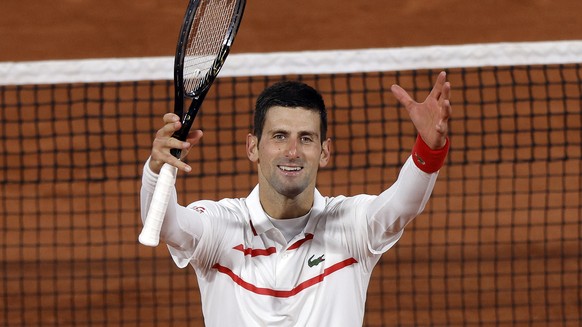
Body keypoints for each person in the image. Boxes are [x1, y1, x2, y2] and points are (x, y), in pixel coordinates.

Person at [140, 71, 451, 326]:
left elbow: (402, 205)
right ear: (253, 147)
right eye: (279, 136)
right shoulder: (219, 225)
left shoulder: (352, 225)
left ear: (324, 151)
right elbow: (165, 225)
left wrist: (429, 147)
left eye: (306, 138)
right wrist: (157, 168)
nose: (292, 152)